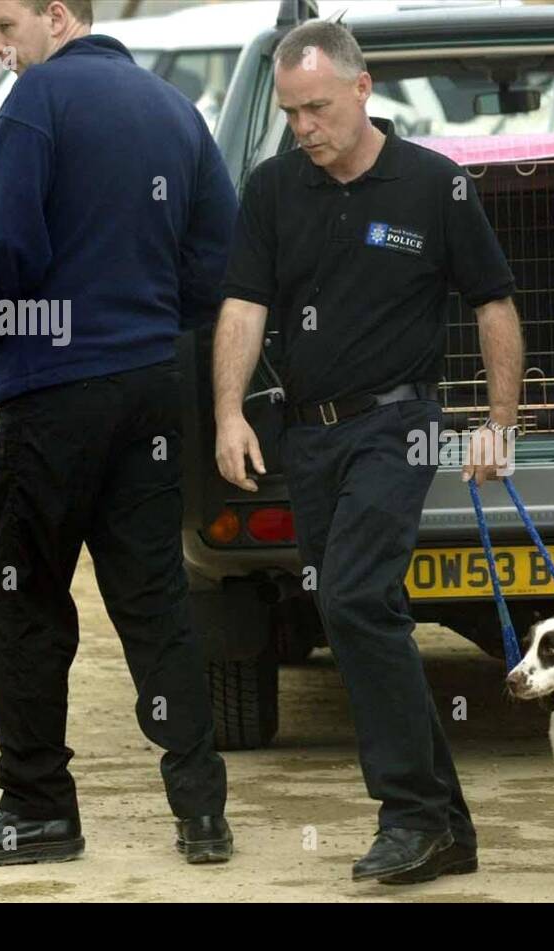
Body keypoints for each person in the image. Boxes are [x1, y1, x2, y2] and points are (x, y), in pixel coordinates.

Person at [212, 20, 524, 884]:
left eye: (316, 108)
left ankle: (409, 814)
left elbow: (494, 306)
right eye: (290, 113)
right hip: (306, 434)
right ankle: (444, 824)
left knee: (353, 596)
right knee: (358, 612)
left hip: (398, 425)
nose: (304, 127)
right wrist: (227, 412)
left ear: (361, 88)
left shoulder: (433, 186)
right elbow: (243, 305)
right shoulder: (274, 189)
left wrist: (497, 422)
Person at [0, 0, 237, 867]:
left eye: (4, 24)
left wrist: (10, 347)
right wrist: (145, 334)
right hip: (149, 391)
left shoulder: (37, 103)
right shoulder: (175, 110)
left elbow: (1, 251)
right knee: (155, 599)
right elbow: (216, 257)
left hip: (55, 395)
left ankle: (37, 810)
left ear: (58, 17)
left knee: (27, 604)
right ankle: (201, 811)